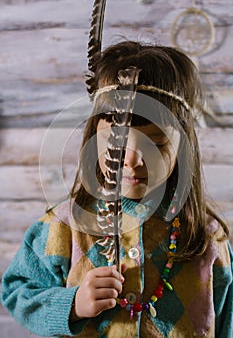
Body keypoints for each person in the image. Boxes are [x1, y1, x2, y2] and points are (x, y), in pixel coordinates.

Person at [2, 41, 233, 338]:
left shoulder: (205, 237)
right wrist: (72, 305)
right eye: (118, 143)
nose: (133, 162)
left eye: (157, 144)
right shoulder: (63, 227)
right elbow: (17, 291)